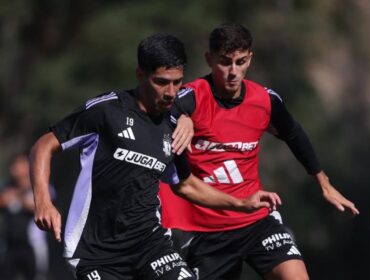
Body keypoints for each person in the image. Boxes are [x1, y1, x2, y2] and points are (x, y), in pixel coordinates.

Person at [29, 33, 281, 280]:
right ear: (141, 75)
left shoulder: (174, 128)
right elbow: (44, 145)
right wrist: (43, 200)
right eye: (161, 82)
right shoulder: (106, 111)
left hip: (150, 245)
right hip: (95, 254)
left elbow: (186, 184)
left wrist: (241, 203)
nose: (171, 92)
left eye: (177, 82)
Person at [159, 23, 360, 280]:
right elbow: (161, 112)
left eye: (240, 62)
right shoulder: (191, 98)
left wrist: (324, 182)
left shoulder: (264, 100)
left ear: (249, 59)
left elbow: (294, 134)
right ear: (209, 60)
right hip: (206, 230)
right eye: (225, 62)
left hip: (256, 219)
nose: (233, 71)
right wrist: (181, 117)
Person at [0, 152, 50, 280]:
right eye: (14, 165)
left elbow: (36, 205)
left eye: (20, 164)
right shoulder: (6, 185)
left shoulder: (39, 186)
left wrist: (19, 195)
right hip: (10, 244)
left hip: (32, 245)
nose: (15, 168)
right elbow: (3, 200)